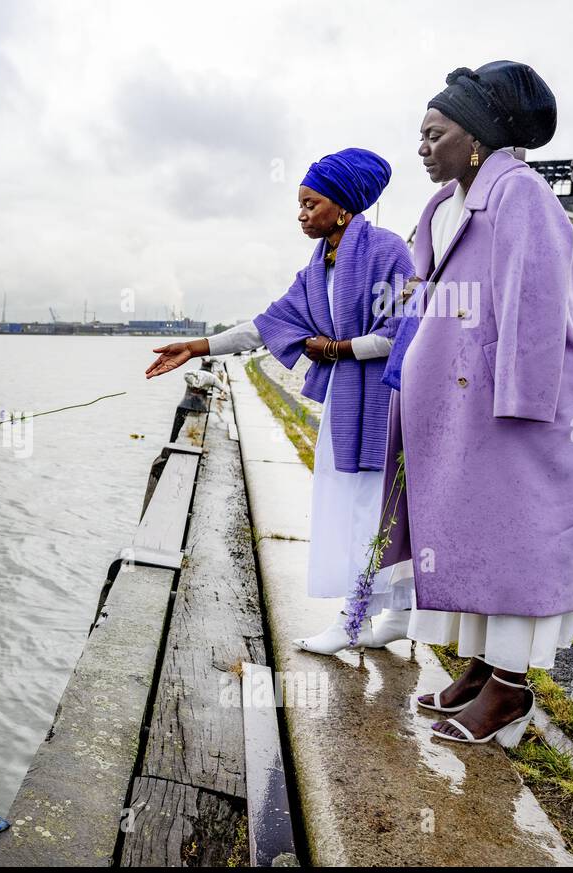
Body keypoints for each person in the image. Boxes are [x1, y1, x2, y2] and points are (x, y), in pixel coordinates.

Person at [379, 61, 573, 747]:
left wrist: (521, 403)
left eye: (435, 133)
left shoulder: (520, 194)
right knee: (473, 535)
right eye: (419, 134)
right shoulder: (441, 207)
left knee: (518, 542)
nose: (422, 146)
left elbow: (537, 304)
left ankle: (511, 692)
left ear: (476, 137)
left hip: (518, 407)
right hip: (464, 406)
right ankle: (483, 668)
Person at [145, 148, 415, 653]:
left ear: (343, 205)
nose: (302, 213)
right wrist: (198, 346)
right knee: (360, 503)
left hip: (384, 402)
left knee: (369, 506)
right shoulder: (317, 271)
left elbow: (403, 331)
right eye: (300, 204)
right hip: (345, 401)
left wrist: (336, 348)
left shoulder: (388, 251)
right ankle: (395, 614)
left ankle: (355, 620)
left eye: (311, 203)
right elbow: (268, 326)